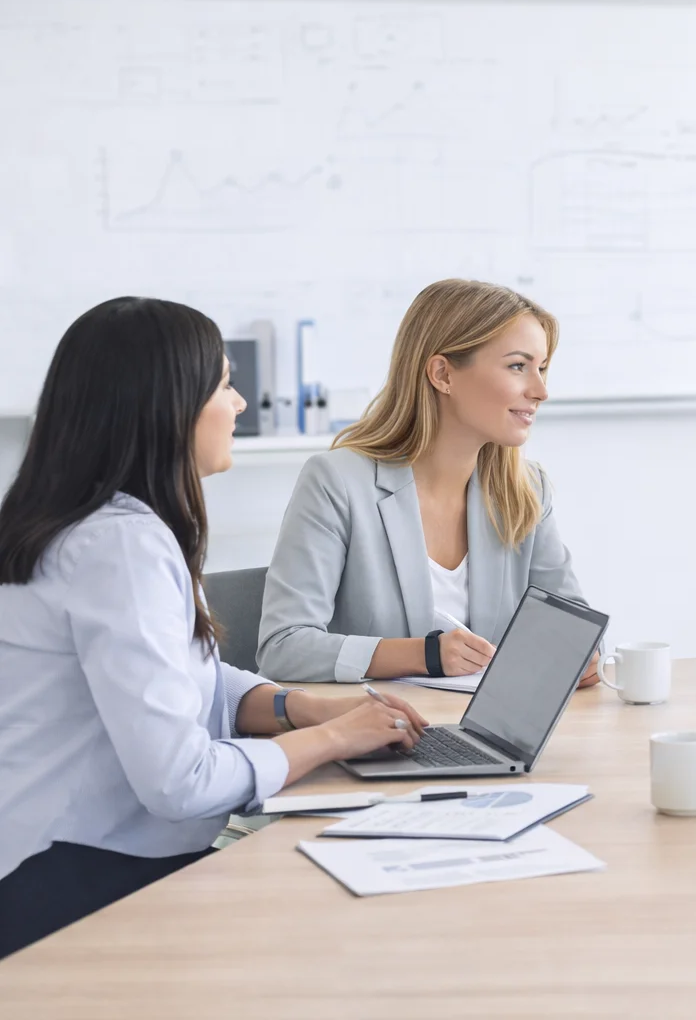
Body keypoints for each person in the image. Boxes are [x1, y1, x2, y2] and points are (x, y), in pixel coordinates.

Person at [0, 297, 429, 959]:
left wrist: (295, 706)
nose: (239, 406)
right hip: (69, 884)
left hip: (76, 857)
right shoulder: (119, 548)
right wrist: (336, 736)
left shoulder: (112, 527)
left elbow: (176, 675)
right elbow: (181, 782)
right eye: (225, 385)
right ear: (167, 406)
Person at [258, 279, 598, 686]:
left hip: (488, 734)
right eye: (517, 366)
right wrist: (425, 654)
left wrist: (581, 656)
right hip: (377, 732)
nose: (540, 390)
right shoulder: (337, 482)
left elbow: (572, 626)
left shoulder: (526, 489)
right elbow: (283, 646)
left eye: (541, 369)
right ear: (442, 374)